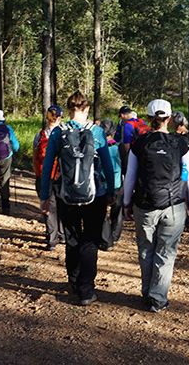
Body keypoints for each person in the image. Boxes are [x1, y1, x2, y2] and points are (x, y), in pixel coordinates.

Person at [38, 92, 115, 306]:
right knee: (90, 240)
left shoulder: (58, 132)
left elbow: (47, 168)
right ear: (87, 108)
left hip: (66, 194)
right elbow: (108, 166)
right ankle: (86, 290)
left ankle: (73, 281)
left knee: (72, 239)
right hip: (95, 195)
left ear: (69, 109)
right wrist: (110, 192)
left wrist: (45, 196)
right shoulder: (97, 132)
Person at [124, 99, 189, 313]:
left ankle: (147, 292)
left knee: (146, 249)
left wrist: (127, 202)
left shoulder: (140, 143)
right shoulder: (180, 143)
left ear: (148, 118)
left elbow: (130, 177)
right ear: (169, 118)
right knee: (166, 252)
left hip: (145, 205)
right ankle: (158, 298)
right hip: (174, 205)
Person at [33, 105, 65, 250]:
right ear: (59, 118)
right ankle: (63, 234)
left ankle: (52, 238)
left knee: (47, 206)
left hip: (43, 175)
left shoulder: (39, 136)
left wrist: (38, 174)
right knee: (61, 204)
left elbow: (35, 158)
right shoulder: (64, 134)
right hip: (60, 176)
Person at [99, 118, 123, 251]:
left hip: (102, 183)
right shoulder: (119, 147)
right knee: (117, 210)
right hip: (118, 182)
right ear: (114, 132)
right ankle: (115, 235)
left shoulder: (98, 146)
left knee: (102, 213)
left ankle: (106, 240)